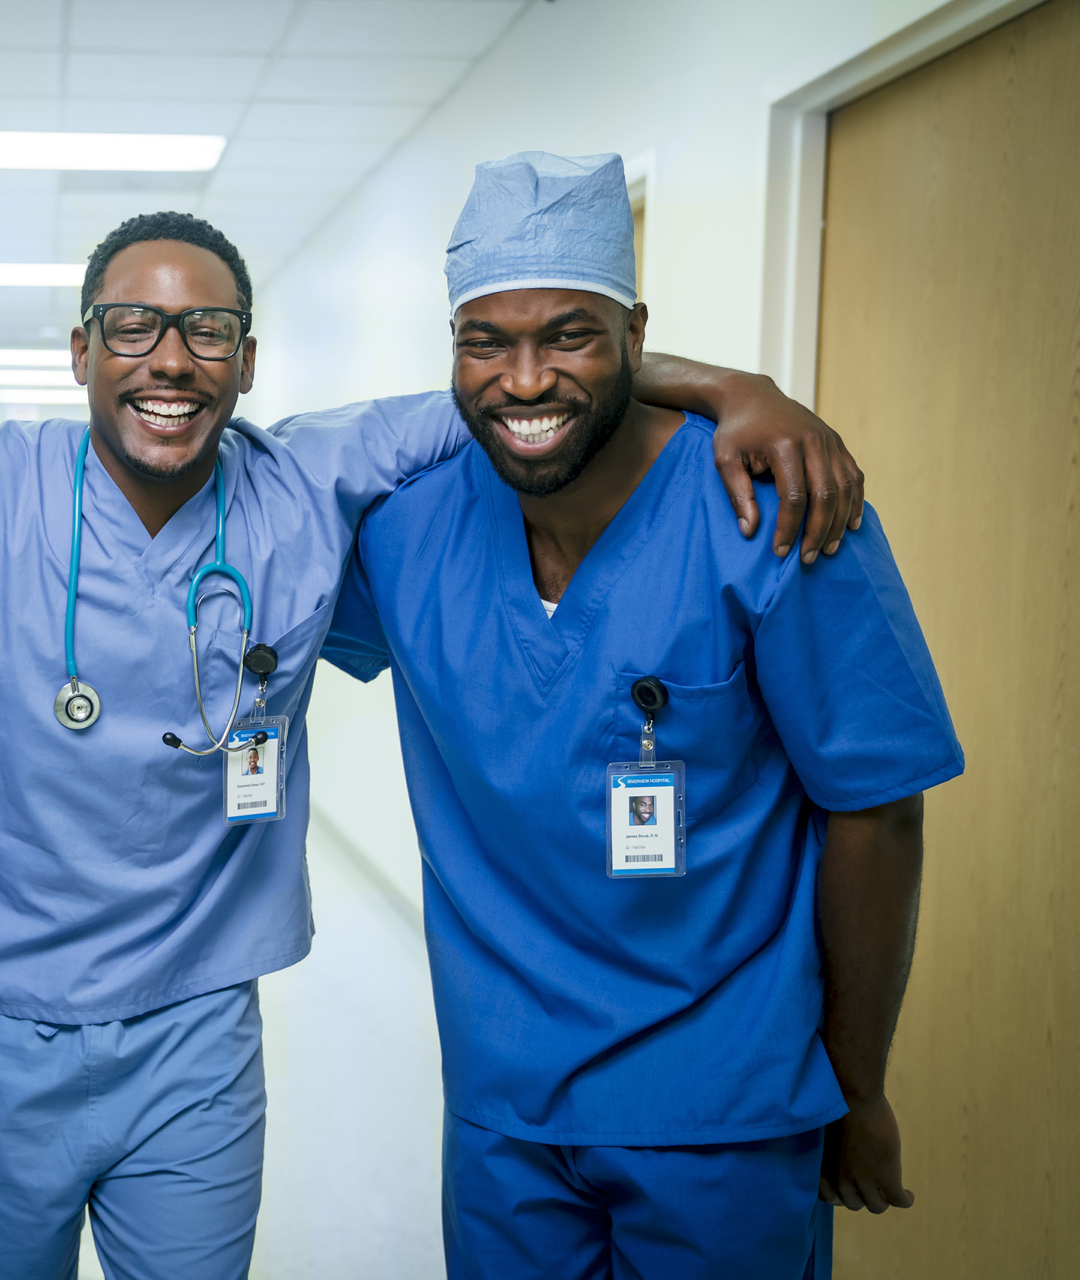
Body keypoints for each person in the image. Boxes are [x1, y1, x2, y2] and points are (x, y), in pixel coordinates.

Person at [0, 209, 864, 1279]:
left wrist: (736, 386)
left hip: (199, 1026)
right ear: (79, 351)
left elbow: (529, 384)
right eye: (130, 326)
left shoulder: (315, 474)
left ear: (250, 360)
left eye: (207, 334)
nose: (169, 362)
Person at [323, 152, 963, 1279]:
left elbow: (878, 812)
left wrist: (858, 1085)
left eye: (570, 333)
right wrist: (719, 377)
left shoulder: (779, 511)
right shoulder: (406, 530)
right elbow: (238, 480)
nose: (524, 380)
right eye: (486, 339)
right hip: (503, 1106)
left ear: (635, 333)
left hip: (727, 1105)